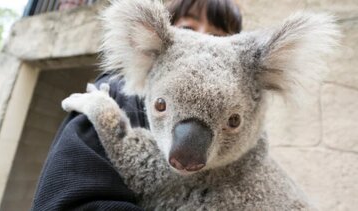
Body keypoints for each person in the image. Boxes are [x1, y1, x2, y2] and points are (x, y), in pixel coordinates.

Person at [31, 0, 242, 210]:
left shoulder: (243, 127)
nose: (202, 39)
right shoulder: (113, 94)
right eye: (188, 28)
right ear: (150, 39)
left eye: (219, 37)